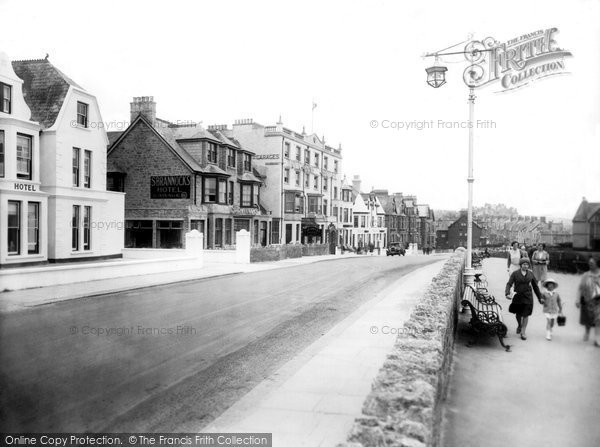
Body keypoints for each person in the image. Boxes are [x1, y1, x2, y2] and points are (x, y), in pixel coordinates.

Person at [505, 258, 542, 340]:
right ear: (520, 265)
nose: (526, 266)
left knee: (526, 314)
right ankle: (519, 325)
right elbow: (509, 284)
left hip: (528, 296)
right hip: (518, 296)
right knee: (518, 314)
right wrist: (507, 293)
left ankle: (523, 332)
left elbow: (535, 287)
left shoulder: (531, 274)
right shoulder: (515, 274)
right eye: (524, 264)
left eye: (527, 264)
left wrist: (540, 298)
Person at [576, 256, 600, 346]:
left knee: (598, 319)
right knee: (588, 319)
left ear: (597, 264)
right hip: (587, 300)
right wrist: (577, 299)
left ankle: (597, 338)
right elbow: (580, 288)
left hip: (598, 301)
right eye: (589, 263)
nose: (590, 265)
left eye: (592, 263)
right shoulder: (586, 275)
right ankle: (587, 332)